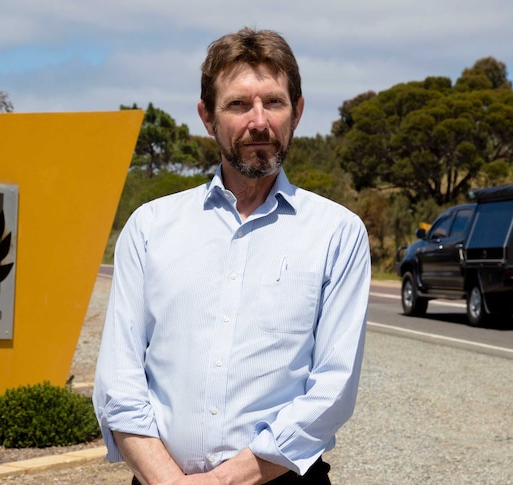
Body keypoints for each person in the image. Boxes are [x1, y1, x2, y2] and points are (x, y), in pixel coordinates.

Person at [93, 27, 371, 485]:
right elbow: (119, 383)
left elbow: (332, 391)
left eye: (274, 103)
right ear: (207, 117)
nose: (258, 122)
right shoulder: (149, 227)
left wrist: (220, 482)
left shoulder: (337, 234)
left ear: (297, 112)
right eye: (238, 104)